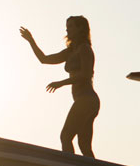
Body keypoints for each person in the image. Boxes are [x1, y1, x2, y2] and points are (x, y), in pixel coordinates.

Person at [20, 16, 100, 157]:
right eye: (66, 27)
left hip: (87, 100)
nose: (67, 30)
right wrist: (31, 40)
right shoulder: (69, 52)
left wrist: (60, 83)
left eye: (70, 27)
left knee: (66, 137)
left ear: (80, 29)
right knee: (84, 145)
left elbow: (86, 75)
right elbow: (44, 59)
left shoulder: (85, 49)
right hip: (83, 101)